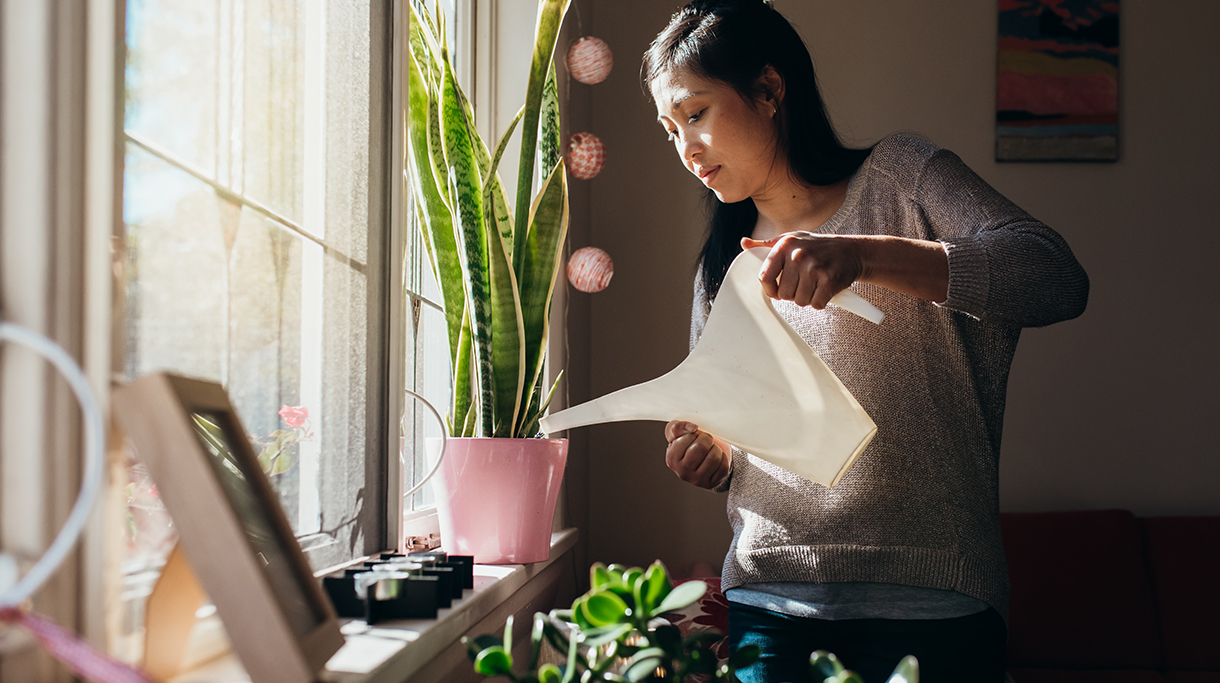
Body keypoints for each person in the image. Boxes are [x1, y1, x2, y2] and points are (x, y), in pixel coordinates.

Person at [643, 1, 1089, 681]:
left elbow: (1054, 276)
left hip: (936, 603)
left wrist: (865, 256)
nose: (686, 147)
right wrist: (711, 451)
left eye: (695, 113)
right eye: (670, 129)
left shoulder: (903, 177)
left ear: (769, 89)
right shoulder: (719, 264)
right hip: (768, 600)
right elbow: (731, 434)